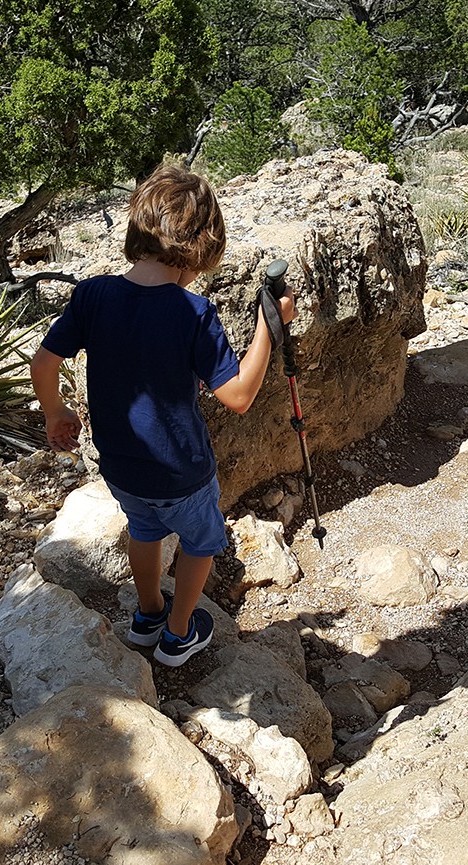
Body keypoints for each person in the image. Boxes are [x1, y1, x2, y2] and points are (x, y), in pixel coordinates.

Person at [30, 163, 295, 667]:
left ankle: (148, 612)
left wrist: (55, 412)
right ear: (200, 246)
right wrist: (269, 327)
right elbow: (237, 396)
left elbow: (43, 363)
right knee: (199, 542)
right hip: (182, 472)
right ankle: (178, 635)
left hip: (121, 464)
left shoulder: (92, 294)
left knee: (144, 531)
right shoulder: (192, 312)